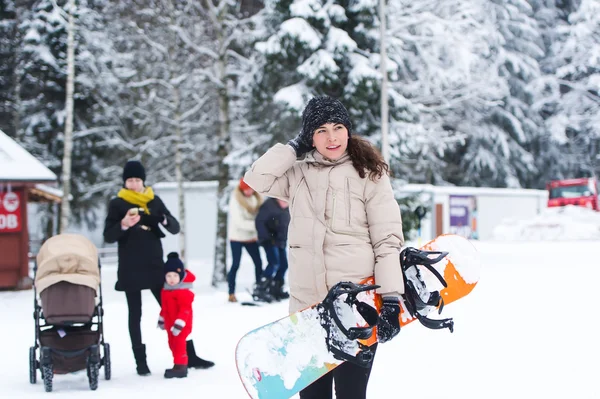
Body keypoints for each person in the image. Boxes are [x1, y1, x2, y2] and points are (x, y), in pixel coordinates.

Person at [244, 96, 405, 399]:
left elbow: (387, 240)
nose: (332, 137)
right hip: (307, 311)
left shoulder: (370, 173)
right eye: (321, 130)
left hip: (356, 308)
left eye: (338, 127)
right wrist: (293, 148)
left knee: (351, 395)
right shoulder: (297, 174)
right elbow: (256, 177)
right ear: (310, 137)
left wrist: (392, 298)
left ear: (348, 130)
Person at [103, 160, 214, 376]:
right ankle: (141, 363)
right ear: (124, 182)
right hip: (130, 266)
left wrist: (161, 218)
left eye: (137, 179)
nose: (134, 184)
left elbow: (174, 227)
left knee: (176, 307)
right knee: (135, 314)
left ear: (143, 180)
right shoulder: (117, 204)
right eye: (130, 180)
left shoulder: (154, 200)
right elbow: (108, 236)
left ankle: (189, 356)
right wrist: (124, 223)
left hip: (155, 265)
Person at [226, 177, 263, 302]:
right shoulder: (235, 200)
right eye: (246, 190)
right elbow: (239, 222)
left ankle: (259, 289)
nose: (249, 192)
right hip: (237, 238)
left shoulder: (256, 199)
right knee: (236, 264)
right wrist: (258, 226)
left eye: (251, 189)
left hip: (251, 237)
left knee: (258, 263)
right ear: (242, 189)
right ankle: (231, 293)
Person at [158, 252, 194, 379]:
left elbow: (185, 310)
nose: (172, 279)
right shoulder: (166, 290)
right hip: (170, 324)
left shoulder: (184, 293)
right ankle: (177, 364)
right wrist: (162, 319)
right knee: (172, 344)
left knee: (179, 344)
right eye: (168, 275)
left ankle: (181, 367)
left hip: (182, 325)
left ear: (181, 276)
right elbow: (164, 308)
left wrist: (179, 324)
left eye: (175, 275)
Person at [253, 197, 290, 302]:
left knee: (284, 265)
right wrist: (267, 238)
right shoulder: (269, 205)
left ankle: (276, 288)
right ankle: (261, 288)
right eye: (283, 200)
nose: (285, 203)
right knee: (274, 263)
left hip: (281, 240)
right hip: (270, 240)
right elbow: (259, 222)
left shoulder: (286, 208)